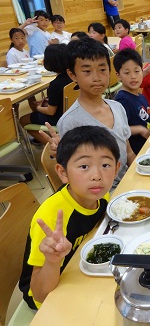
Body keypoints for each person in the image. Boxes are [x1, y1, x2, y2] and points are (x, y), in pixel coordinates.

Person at [19, 125, 121, 310]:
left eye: (105, 165)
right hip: (48, 292)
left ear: (116, 169)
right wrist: (53, 260)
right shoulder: (51, 217)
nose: (97, 176)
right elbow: (40, 294)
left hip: (81, 267)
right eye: (84, 166)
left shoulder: (100, 195)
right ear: (63, 173)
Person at [57, 37, 135, 187]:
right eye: (87, 71)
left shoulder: (117, 107)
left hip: (126, 182)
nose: (97, 78)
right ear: (72, 75)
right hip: (101, 194)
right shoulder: (71, 122)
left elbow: (129, 153)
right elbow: (76, 178)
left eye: (102, 69)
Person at [19, 44, 72, 144]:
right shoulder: (73, 76)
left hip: (59, 118)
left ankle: (54, 146)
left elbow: (51, 111)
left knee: (23, 119)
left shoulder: (55, 84)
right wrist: (46, 101)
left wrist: (38, 107)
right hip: (71, 113)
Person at [114, 49, 150, 154]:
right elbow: (119, 129)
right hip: (140, 151)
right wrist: (140, 129)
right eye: (127, 73)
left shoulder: (140, 96)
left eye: (137, 71)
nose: (133, 76)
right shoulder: (122, 100)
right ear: (118, 75)